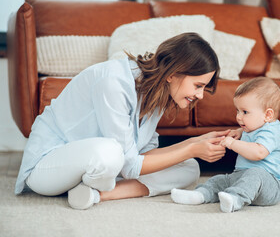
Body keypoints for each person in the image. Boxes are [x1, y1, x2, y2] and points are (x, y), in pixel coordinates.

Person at [15, 32, 229, 210]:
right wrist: (192, 148)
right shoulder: (113, 82)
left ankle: (96, 194)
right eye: (198, 85)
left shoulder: (156, 93)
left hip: (101, 167)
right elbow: (130, 167)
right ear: (173, 73)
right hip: (47, 167)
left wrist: (195, 143)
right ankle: (99, 183)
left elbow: (143, 157)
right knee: (110, 153)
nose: (200, 95)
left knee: (189, 168)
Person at [171, 77, 280, 213]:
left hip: (270, 185)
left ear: (268, 115)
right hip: (242, 176)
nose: (238, 117)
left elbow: (258, 153)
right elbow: (251, 133)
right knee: (221, 180)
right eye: (237, 111)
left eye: (245, 112)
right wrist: (239, 132)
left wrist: (233, 143)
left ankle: (235, 199)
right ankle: (200, 195)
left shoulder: (271, 131)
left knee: (255, 174)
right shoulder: (254, 126)